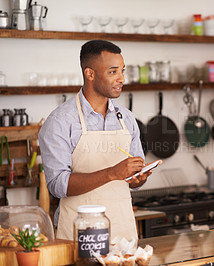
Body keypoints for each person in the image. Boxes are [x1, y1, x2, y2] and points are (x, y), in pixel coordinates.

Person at [39, 40, 158, 241]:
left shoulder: (127, 118)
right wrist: (112, 173)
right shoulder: (59, 122)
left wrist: (138, 178)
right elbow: (58, 185)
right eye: (113, 72)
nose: (121, 79)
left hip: (123, 236)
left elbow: (133, 179)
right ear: (90, 74)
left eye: (122, 71)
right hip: (79, 236)